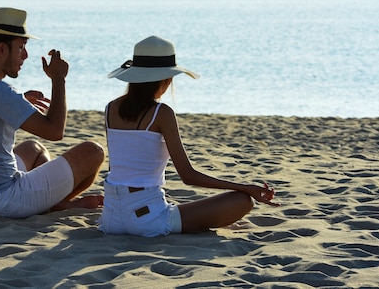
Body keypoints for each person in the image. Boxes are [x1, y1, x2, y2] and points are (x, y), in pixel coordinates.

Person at [98, 35, 279, 237]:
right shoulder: (161, 113)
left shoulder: (110, 108)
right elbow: (188, 176)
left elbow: (120, 169)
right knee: (242, 201)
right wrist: (245, 188)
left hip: (110, 218)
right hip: (146, 219)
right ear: (165, 79)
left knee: (178, 206)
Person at [0, 7, 105, 219]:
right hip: (3, 199)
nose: (25, 55)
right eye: (21, 47)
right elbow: (56, 131)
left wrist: (19, 102)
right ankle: (57, 205)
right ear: (2, 49)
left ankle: (54, 203)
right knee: (94, 152)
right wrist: (58, 80)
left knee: (34, 148)